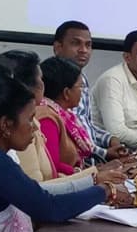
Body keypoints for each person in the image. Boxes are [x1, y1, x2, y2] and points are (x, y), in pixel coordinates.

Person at [0, 76, 122, 232]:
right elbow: (49, 207)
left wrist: (94, 182)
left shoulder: (2, 157)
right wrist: (104, 191)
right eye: (30, 119)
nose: (35, 127)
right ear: (5, 125)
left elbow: (35, 192)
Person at [53, 20, 127, 163]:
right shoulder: (53, 80)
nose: (84, 50)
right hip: (78, 168)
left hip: (95, 162)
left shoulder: (82, 79)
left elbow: (86, 125)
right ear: (58, 47)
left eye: (88, 45)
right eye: (76, 43)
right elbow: (71, 133)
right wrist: (105, 153)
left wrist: (110, 139)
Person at [39, 56, 93, 175]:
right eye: (80, 87)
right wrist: (90, 174)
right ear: (66, 93)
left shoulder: (65, 115)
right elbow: (53, 165)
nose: (82, 92)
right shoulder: (47, 119)